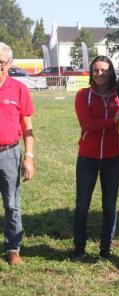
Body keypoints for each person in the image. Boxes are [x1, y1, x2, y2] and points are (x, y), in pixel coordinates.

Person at [72, 55, 119, 261]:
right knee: (82, 204)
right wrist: (111, 120)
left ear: (111, 72)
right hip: (87, 158)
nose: (100, 74)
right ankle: (79, 248)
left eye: (104, 70)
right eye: (96, 70)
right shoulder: (83, 95)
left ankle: (105, 250)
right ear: (91, 72)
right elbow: (86, 123)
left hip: (112, 158)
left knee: (109, 205)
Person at [0, 42, 34, 265]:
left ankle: (13, 248)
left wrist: (29, 157)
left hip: (9, 154)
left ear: (10, 63)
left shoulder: (19, 88)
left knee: (12, 204)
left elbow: (27, 124)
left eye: (1, 63)